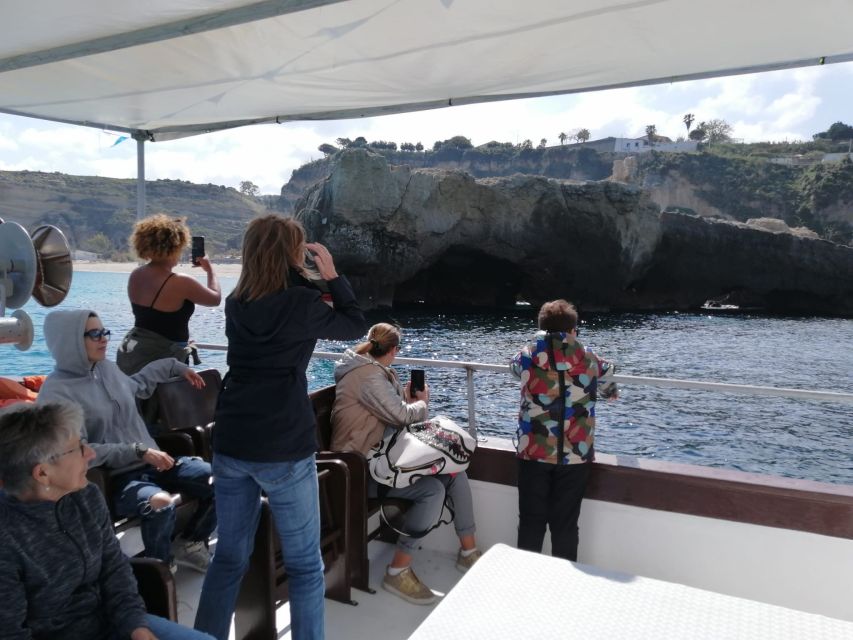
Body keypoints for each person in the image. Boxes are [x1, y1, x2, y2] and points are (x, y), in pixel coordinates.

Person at [194, 214, 367, 640]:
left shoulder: (238, 302)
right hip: (282, 443)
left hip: (232, 436)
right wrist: (331, 275)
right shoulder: (303, 303)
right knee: (306, 565)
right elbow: (354, 323)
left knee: (230, 558)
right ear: (294, 252)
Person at [0, 401, 215, 640]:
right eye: (79, 448)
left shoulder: (87, 497)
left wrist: (136, 627)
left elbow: (114, 567)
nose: (91, 454)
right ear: (42, 473)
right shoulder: (7, 535)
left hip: (112, 623)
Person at [37, 309, 216, 573]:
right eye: (94, 334)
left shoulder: (106, 369)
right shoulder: (56, 393)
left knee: (223, 480)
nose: (104, 339)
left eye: (104, 332)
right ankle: (159, 572)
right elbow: (77, 452)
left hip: (154, 463)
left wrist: (175, 366)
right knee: (160, 503)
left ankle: (190, 542)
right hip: (116, 479)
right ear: (70, 340)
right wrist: (137, 450)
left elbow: (139, 385)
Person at [330, 323, 481, 606]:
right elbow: (401, 415)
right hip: (359, 468)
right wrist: (421, 403)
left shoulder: (373, 371)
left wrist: (410, 402)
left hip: (379, 457)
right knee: (432, 491)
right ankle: (397, 570)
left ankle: (468, 553)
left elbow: (391, 413)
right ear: (394, 350)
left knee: (454, 472)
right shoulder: (368, 376)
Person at [510, 299, 617, 561]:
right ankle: (564, 583)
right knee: (566, 523)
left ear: (542, 328)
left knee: (531, 521)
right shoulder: (590, 357)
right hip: (576, 453)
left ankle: (525, 575)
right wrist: (609, 391)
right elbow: (608, 379)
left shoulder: (527, 354)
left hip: (534, 449)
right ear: (573, 329)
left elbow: (514, 371)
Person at [117, 214, 221, 376]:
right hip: (166, 363)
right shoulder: (180, 282)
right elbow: (215, 298)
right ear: (175, 246)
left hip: (137, 353)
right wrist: (210, 271)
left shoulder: (136, 275)